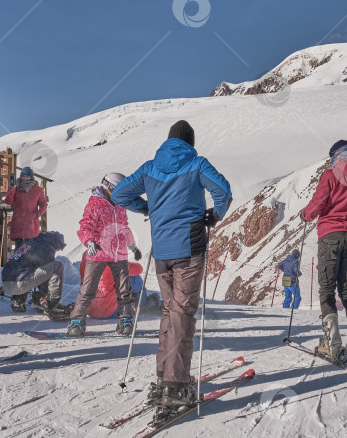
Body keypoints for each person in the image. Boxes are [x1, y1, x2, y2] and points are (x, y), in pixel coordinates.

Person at [112, 120, 232, 419]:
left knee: (170, 310)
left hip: (162, 250)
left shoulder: (150, 167)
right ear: (190, 142)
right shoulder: (196, 163)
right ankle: (176, 386)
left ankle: (164, 377)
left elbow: (119, 195)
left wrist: (147, 208)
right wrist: (214, 215)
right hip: (190, 245)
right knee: (182, 312)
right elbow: (223, 191)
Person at [301, 140, 347, 362]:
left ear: (335, 156)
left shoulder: (330, 176)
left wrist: (305, 215)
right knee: (346, 289)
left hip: (330, 235)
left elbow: (317, 204)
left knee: (327, 288)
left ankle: (332, 342)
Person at [67, 173, 142, 337]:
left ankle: (125, 320)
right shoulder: (95, 203)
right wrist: (89, 241)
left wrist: (132, 245)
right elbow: (84, 226)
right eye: (120, 188)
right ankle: (77, 322)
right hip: (98, 253)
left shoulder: (121, 204)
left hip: (118, 253)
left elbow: (124, 226)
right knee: (88, 289)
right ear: (110, 187)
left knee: (124, 290)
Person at [3, 166, 48, 308]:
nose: (25, 178)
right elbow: (8, 201)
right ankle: (19, 293)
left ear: (32, 177)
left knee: (32, 261)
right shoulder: (16, 188)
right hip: (18, 228)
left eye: (27, 176)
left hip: (31, 229)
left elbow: (44, 204)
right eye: (23, 176)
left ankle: (34, 291)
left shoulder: (38, 190)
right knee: (19, 262)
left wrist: (38, 214)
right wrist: (11, 188)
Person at [1, 231, 66, 312]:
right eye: (59, 248)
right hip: (19, 284)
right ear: (56, 242)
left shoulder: (32, 243)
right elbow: (46, 277)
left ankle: (18, 300)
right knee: (57, 266)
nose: (57, 251)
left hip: (6, 282)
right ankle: (52, 304)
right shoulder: (47, 248)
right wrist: (46, 295)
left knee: (27, 269)